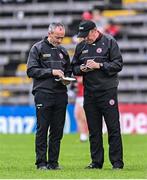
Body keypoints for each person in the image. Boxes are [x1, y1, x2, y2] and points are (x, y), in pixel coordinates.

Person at [71, 20, 124, 169]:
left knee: (113, 128)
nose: (84, 38)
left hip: (108, 92)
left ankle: (117, 162)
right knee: (94, 130)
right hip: (89, 93)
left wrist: (99, 65)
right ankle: (96, 162)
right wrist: (82, 68)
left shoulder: (109, 42)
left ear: (94, 31)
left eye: (86, 35)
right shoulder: (81, 46)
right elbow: (74, 67)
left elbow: (118, 64)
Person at [27, 22, 72, 170]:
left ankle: (53, 163)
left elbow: (69, 71)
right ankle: (41, 163)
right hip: (43, 93)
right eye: (57, 37)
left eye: (62, 38)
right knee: (42, 129)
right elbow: (31, 71)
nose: (60, 40)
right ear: (50, 33)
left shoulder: (64, 52)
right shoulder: (37, 48)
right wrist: (51, 72)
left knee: (57, 130)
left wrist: (67, 79)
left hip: (60, 94)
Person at [74, 76, 88, 142]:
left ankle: (84, 135)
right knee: (78, 116)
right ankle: (83, 135)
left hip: (84, 95)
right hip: (79, 95)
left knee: (83, 117)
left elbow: (81, 80)